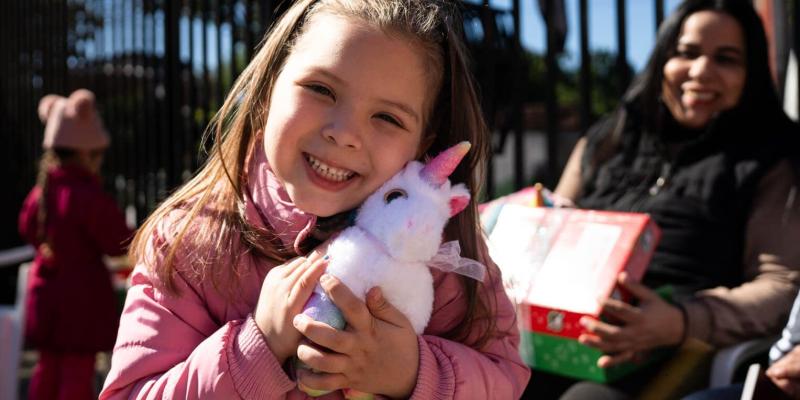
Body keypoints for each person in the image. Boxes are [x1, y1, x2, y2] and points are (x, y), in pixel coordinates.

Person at [99, 0, 530, 399]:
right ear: (269, 91)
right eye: (322, 89)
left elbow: (504, 376)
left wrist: (411, 372)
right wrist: (257, 346)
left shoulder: (440, 256)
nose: (343, 133)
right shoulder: (188, 241)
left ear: (421, 147)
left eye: (386, 117)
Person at [543, 0, 800, 398]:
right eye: (687, 53)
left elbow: (780, 286)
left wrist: (681, 321)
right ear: (662, 58)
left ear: (750, 75)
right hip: (554, 335)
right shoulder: (604, 142)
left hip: (671, 351)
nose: (700, 72)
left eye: (727, 59)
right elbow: (550, 229)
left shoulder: (773, 158)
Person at [18, 89, 133, 400]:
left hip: (47, 295)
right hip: (80, 298)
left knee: (47, 368)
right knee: (77, 373)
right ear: (87, 153)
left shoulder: (40, 193)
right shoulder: (89, 197)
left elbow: (27, 227)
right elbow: (118, 242)